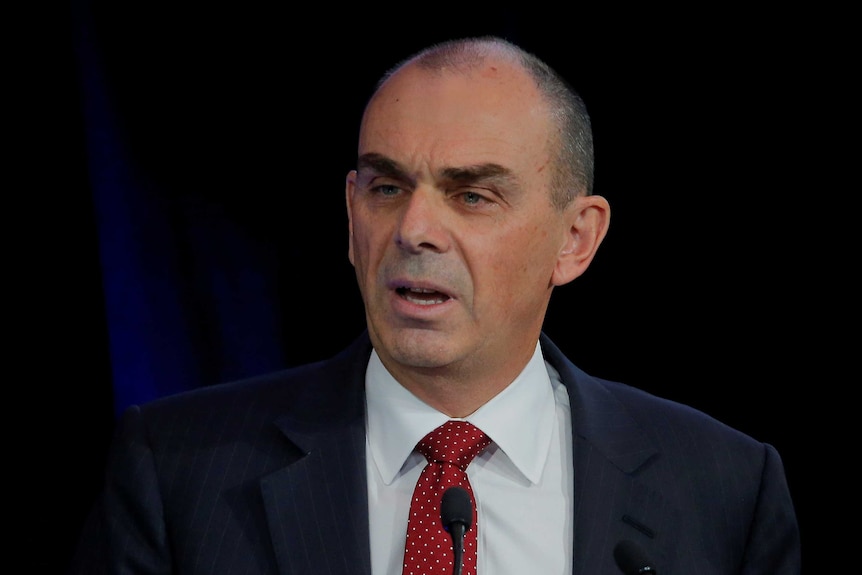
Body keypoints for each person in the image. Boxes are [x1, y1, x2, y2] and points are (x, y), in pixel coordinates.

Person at [68, 35, 801, 574]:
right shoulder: (176, 472)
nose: (414, 231)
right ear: (351, 213)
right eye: (386, 188)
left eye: (471, 195)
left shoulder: (723, 489)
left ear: (575, 239)